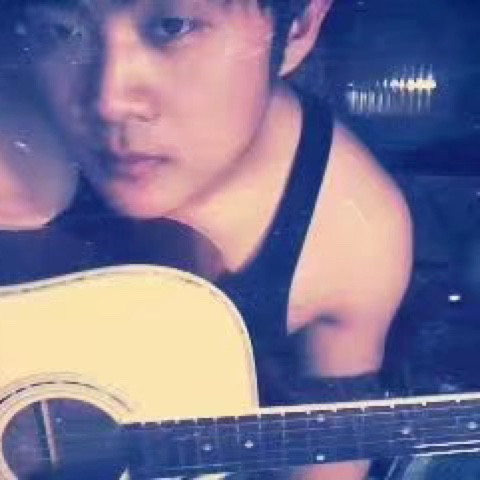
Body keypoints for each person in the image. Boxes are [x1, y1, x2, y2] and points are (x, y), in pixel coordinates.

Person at [0, 0, 413, 478]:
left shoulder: (349, 239)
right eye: (59, 31)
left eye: (172, 27)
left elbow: (332, 462)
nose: (111, 101)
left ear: (297, 27)